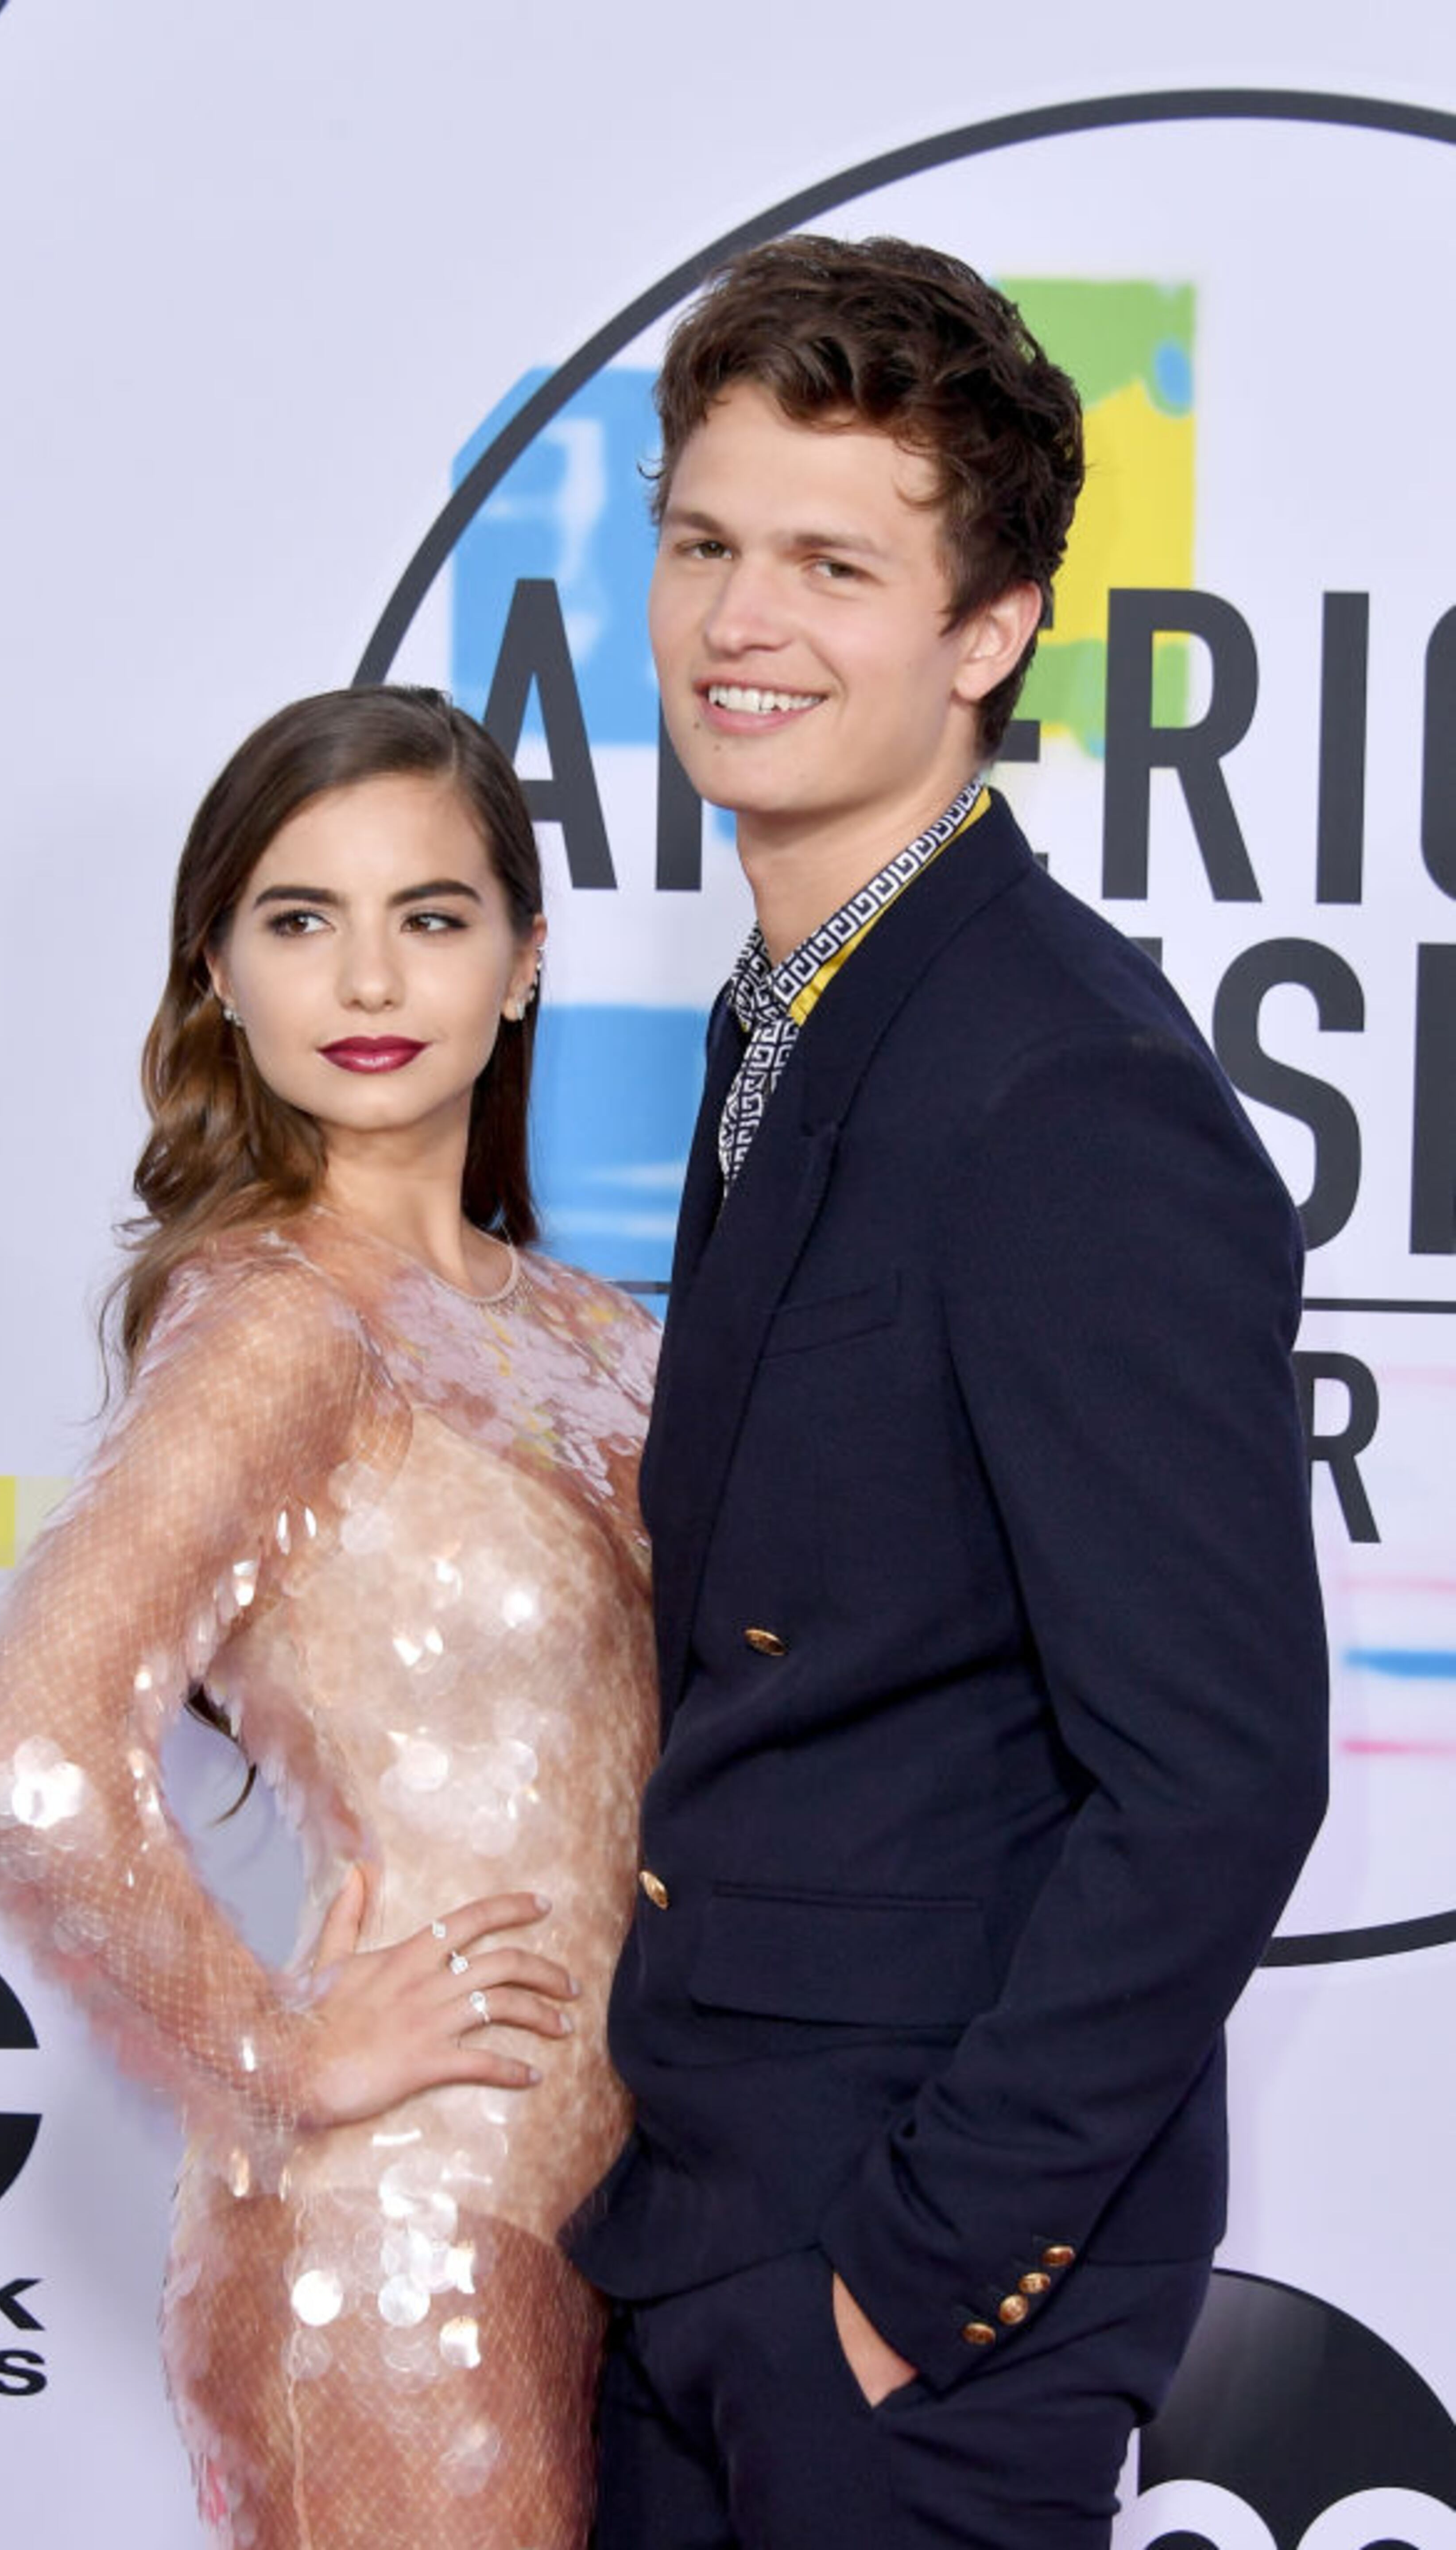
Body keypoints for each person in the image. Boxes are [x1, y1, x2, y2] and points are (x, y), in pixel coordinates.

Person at [564, 235, 1330, 2546]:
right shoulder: (784, 1026)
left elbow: (1213, 1778)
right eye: (703, 544)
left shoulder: (1061, 1090)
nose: (737, 622)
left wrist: (904, 2288)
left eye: (830, 564)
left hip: (891, 2291)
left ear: (986, 637)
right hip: (701, 2209)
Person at [0, 686, 659, 2549]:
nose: (368, 975)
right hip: (398, 2248)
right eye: (299, 917)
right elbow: (18, 1751)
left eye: (430, 915)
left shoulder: (603, 1339)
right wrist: (274, 2052)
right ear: (222, 979)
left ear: (521, 964)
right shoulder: (274, 1321)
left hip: (649, 2224)